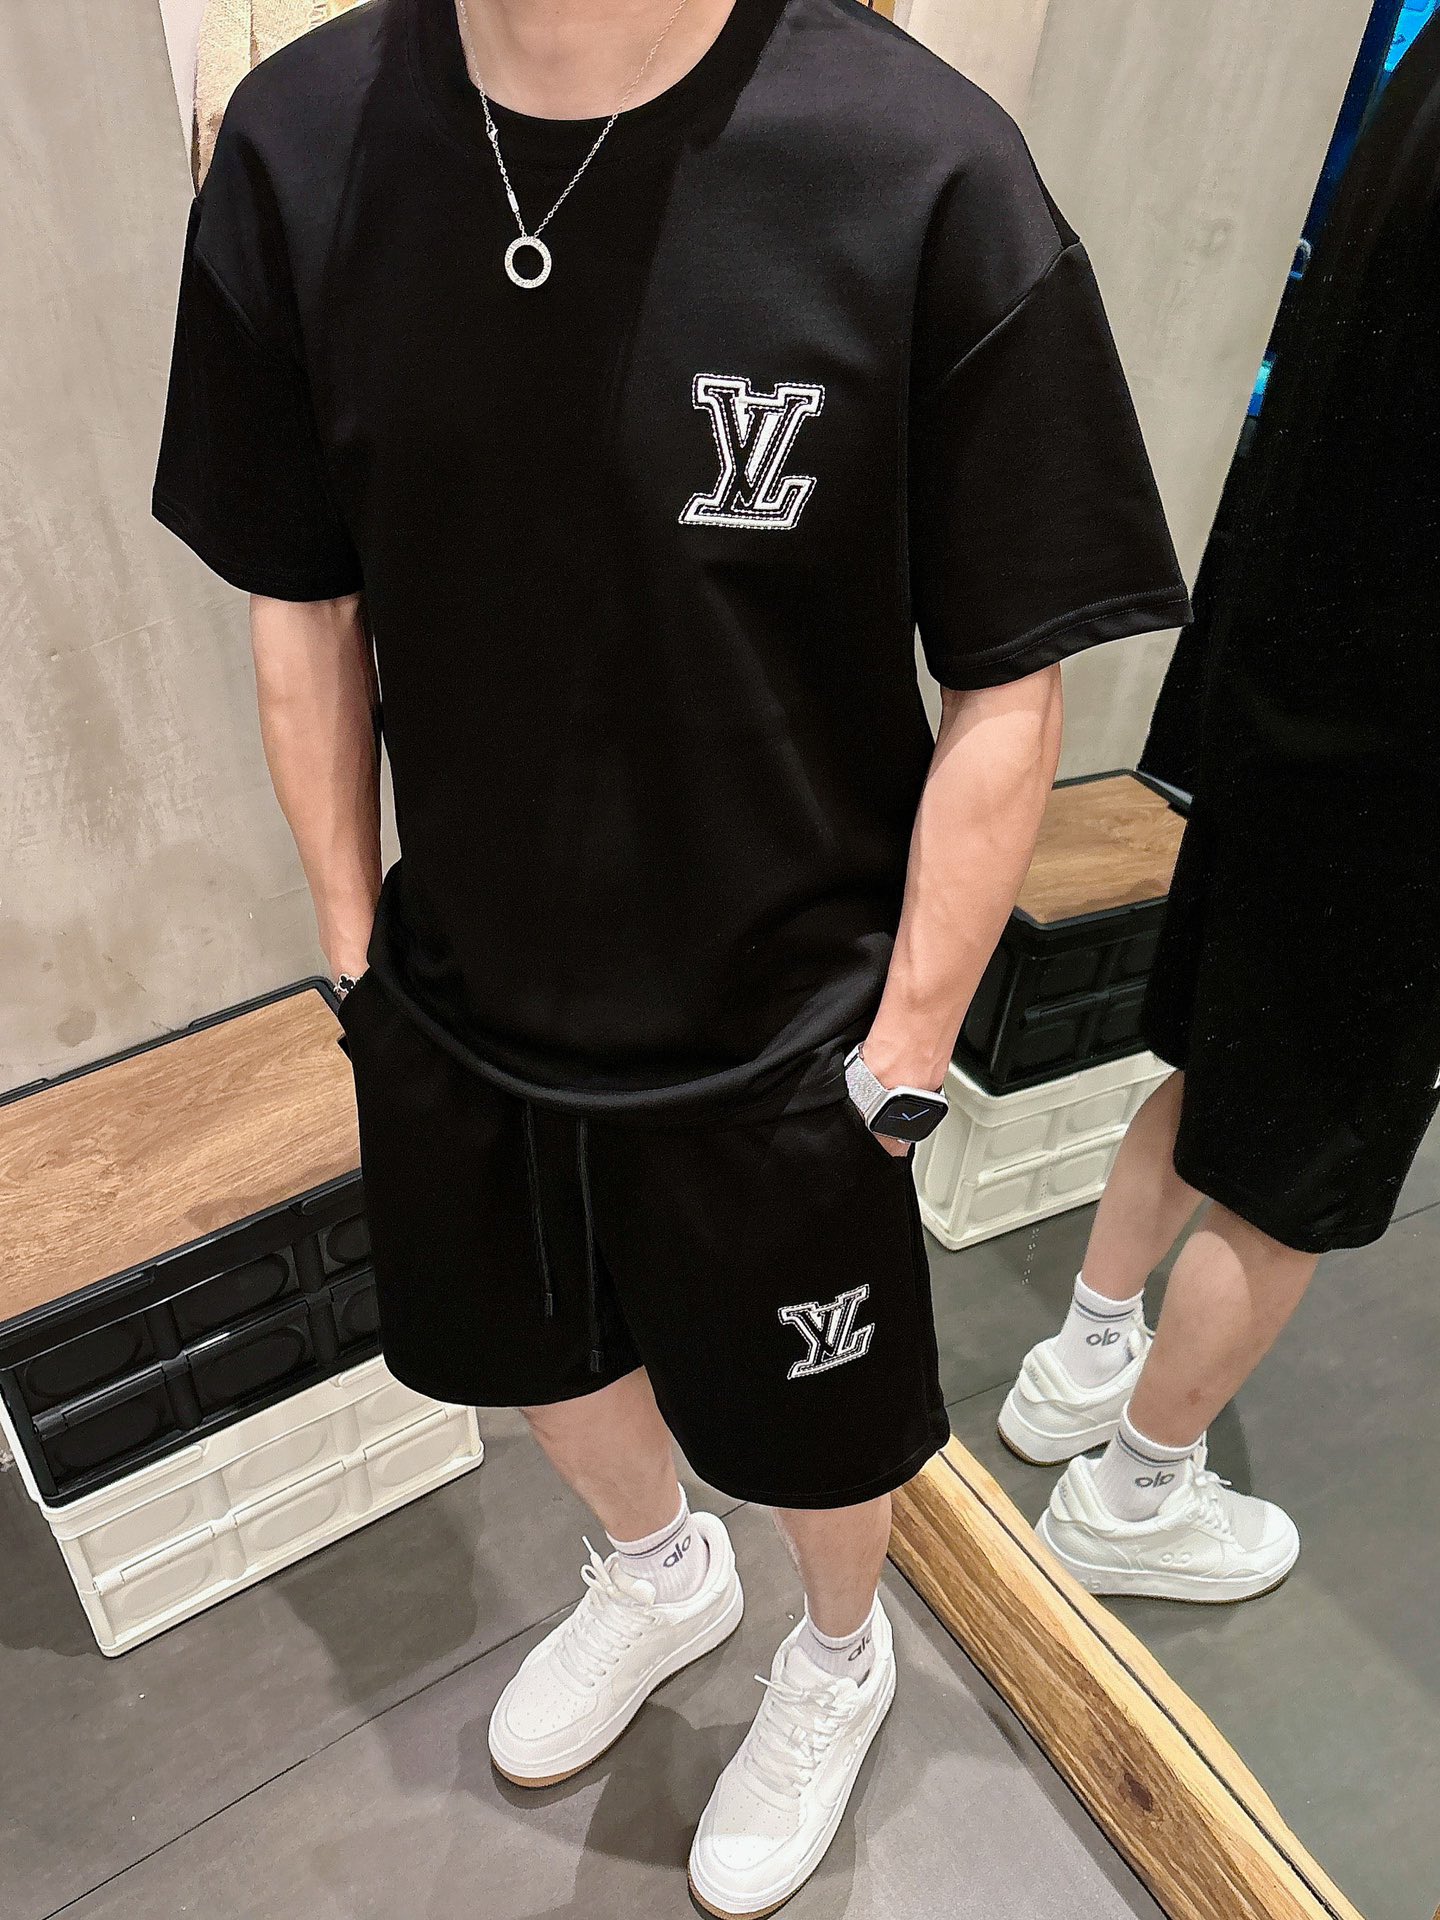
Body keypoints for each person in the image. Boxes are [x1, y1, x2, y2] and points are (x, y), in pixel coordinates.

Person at [151, 0, 1186, 1907]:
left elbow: (1010, 670)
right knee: (533, 1358)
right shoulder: (303, 146)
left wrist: (905, 1053)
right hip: (461, 985)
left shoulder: (918, 168)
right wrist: (356, 954)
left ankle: (838, 1656)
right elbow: (301, 594)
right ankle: (656, 1573)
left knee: (819, 1438)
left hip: (784, 1021)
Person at [1001, 13, 1440, 1607]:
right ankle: (1138, 1493)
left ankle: (1083, 1358)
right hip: (1408, 746)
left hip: (1289, 673)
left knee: (1224, 1055)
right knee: (1300, 1159)